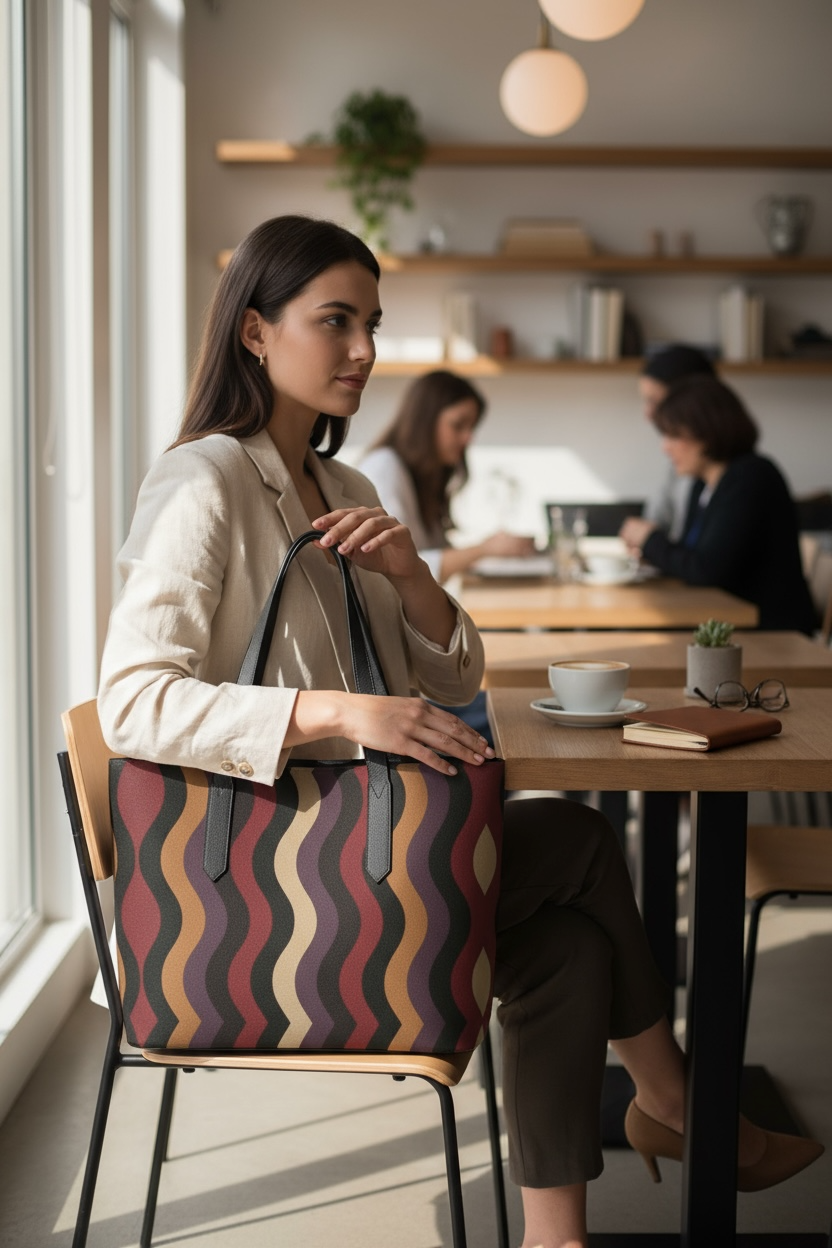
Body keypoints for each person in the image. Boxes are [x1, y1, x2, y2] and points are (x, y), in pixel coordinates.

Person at [97, 216, 822, 1248]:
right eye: (334, 321)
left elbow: (454, 671)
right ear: (255, 333)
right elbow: (130, 698)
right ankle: (679, 1104)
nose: (364, 350)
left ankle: (559, 1233)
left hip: (344, 857)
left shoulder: (343, 488)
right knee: (570, 840)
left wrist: (409, 577)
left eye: (372, 323)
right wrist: (341, 709)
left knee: (565, 943)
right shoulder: (205, 479)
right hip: (267, 896)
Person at [621, 374, 817, 635]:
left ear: (705, 432)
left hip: (770, 634)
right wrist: (650, 549)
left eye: (672, 435)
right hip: (725, 626)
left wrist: (651, 540)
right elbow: (695, 558)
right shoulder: (704, 485)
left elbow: (706, 571)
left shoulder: (751, 477)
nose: (665, 448)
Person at [360, 369, 536, 583]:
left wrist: (491, 550)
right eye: (458, 425)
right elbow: (397, 567)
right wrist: (484, 549)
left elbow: (432, 555)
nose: (468, 438)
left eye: (471, 427)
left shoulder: (423, 477)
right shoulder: (384, 468)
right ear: (425, 420)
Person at [638, 344, 716, 540]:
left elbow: (706, 565)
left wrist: (650, 542)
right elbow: (655, 522)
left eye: (654, 401)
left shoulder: (739, 480)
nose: (647, 415)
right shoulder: (681, 459)